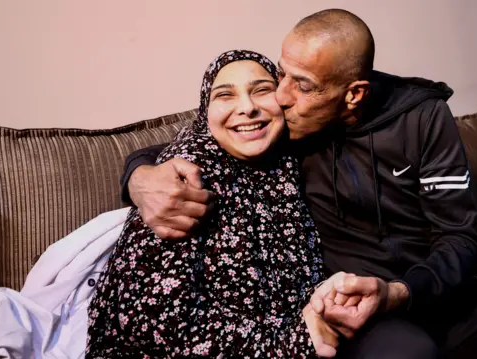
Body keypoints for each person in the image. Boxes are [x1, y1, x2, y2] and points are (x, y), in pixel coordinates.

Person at [120, 9, 477, 359]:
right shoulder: (277, 124)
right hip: (364, 318)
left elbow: (459, 237)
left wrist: (399, 290)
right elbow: (207, 134)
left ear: (353, 93)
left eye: (302, 85)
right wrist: (139, 177)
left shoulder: (423, 118)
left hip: (439, 296)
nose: (281, 98)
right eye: (281, 75)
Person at [87, 50, 342, 358]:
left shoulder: (287, 158)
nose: (247, 108)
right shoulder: (184, 175)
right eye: (225, 95)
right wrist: (296, 344)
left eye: (262, 90)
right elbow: (151, 323)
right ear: (205, 112)